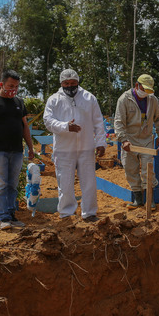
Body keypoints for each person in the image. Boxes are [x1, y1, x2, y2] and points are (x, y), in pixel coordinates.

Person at [44, 69, 106, 221]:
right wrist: (66, 127)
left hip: (86, 147)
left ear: (78, 82)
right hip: (64, 149)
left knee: (89, 183)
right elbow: (48, 121)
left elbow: (98, 121)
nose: (70, 86)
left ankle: (89, 213)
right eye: (66, 83)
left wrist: (100, 142)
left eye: (73, 83)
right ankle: (66, 213)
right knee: (65, 184)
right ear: (61, 83)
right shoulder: (54, 100)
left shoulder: (89, 98)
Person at [0, 70, 34, 230]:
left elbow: (25, 126)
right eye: (11, 86)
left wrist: (30, 147)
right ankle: (3, 218)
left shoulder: (19, 102)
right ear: (1, 84)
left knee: (13, 185)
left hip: (17, 150)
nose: (14, 89)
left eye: (17, 86)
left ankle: (12, 215)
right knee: (1, 185)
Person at [114, 74, 159, 209]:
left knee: (148, 169)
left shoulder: (153, 100)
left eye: (149, 91)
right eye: (144, 89)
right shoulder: (124, 99)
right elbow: (119, 122)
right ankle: (138, 199)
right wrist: (123, 140)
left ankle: (150, 199)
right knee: (130, 169)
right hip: (129, 140)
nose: (146, 93)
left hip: (146, 139)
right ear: (137, 86)